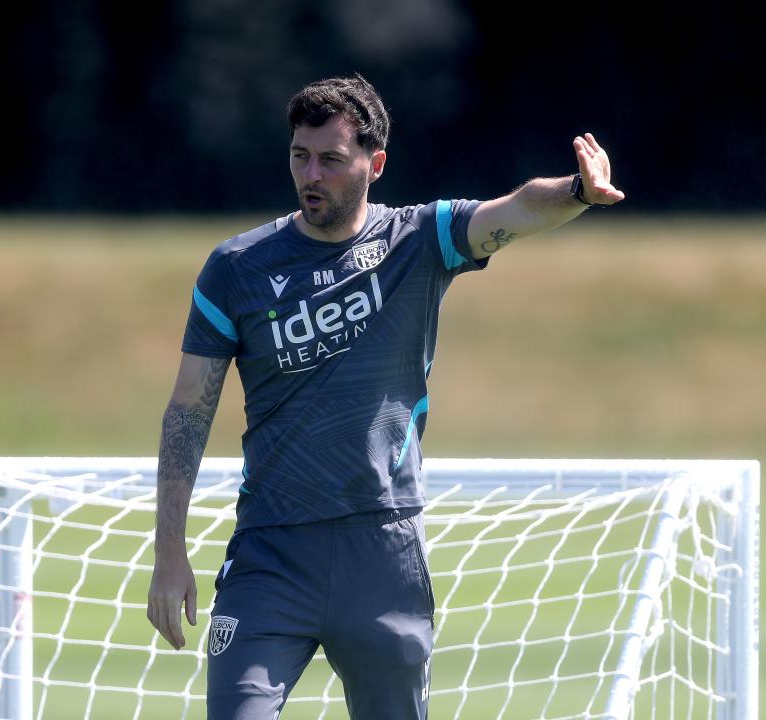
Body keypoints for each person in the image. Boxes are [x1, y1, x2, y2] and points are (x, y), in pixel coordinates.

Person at [146, 73, 624, 720]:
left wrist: (577, 192)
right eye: (299, 156)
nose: (311, 174)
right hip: (272, 555)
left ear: (376, 164)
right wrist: (169, 552)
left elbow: (514, 208)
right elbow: (188, 409)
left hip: (384, 553)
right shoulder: (237, 269)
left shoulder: (418, 241)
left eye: (331, 160)